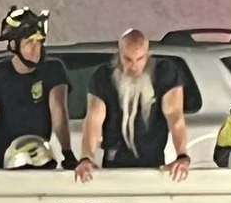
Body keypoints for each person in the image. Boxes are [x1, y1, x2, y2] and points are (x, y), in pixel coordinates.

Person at [75, 29, 191, 182]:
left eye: (140, 59)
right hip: (114, 164)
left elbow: (175, 116)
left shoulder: (165, 73)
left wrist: (182, 155)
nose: (134, 66)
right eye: (127, 59)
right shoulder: (103, 77)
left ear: (148, 54)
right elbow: (93, 120)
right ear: (119, 54)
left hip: (153, 164)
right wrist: (86, 158)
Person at [0, 7, 73, 169]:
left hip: (40, 157)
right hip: (3, 162)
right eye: (29, 42)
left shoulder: (53, 70)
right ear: (14, 45)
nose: (36, 48)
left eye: (39, 41)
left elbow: (58, 110)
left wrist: (67, 152)